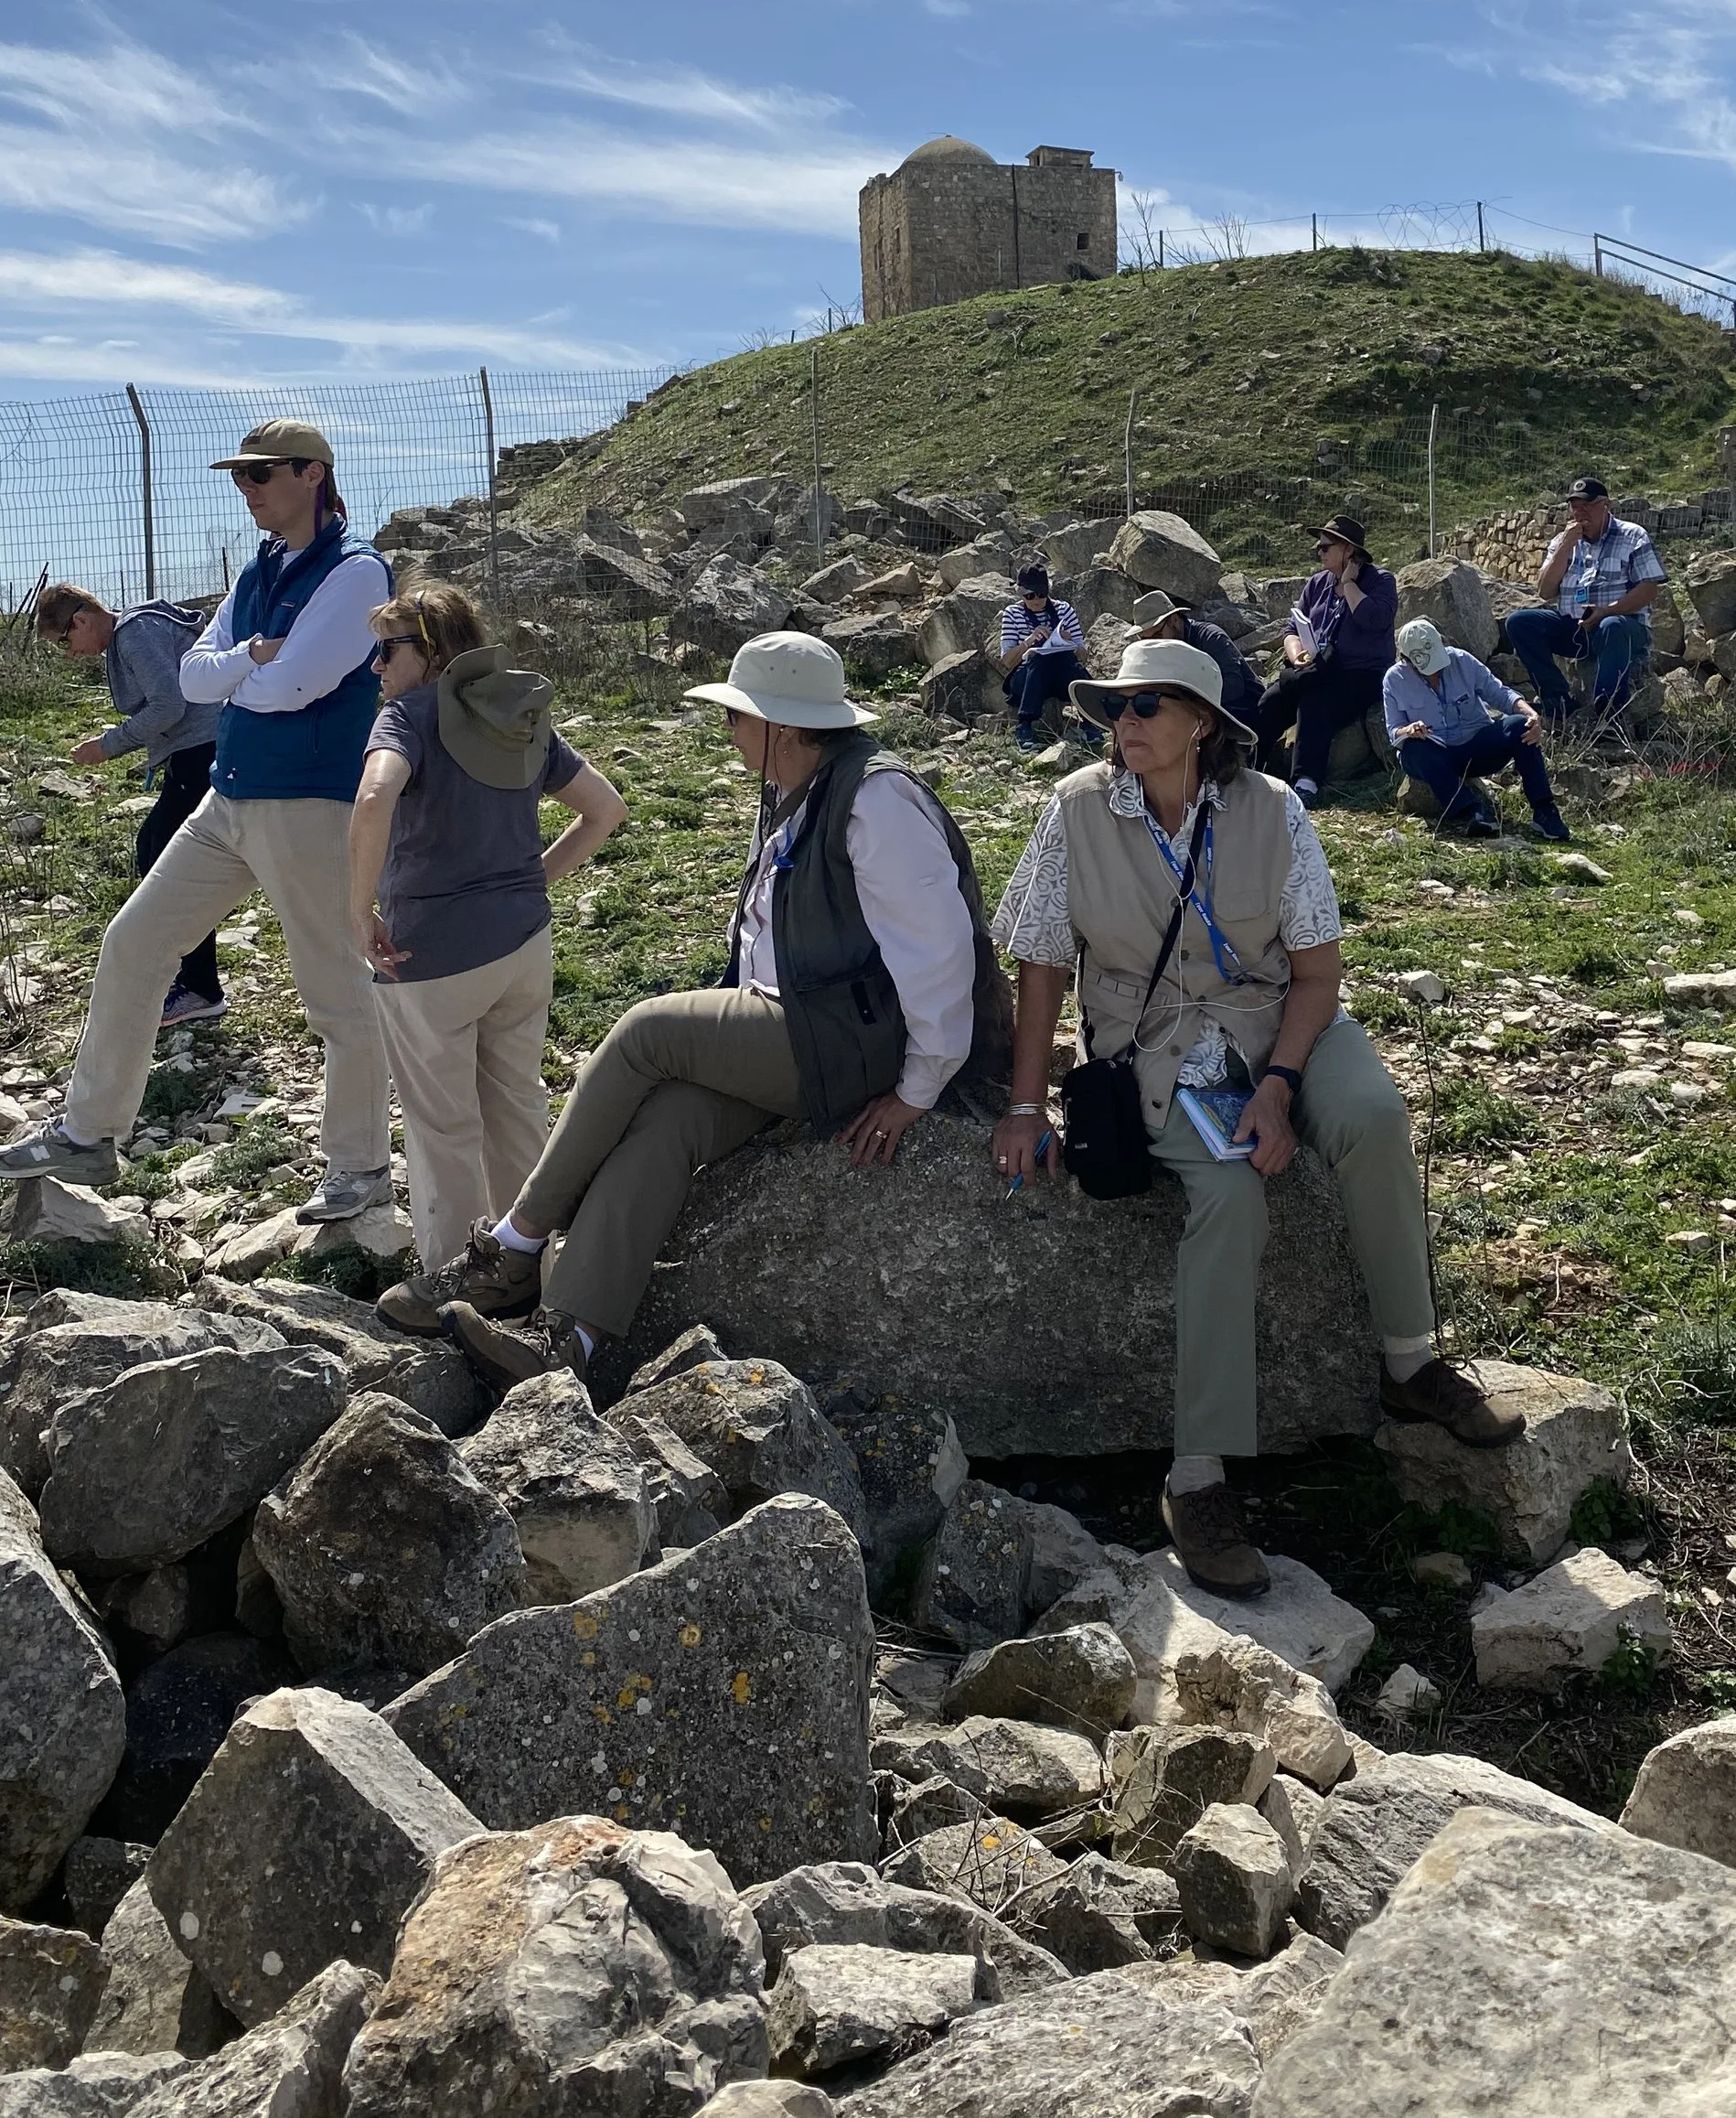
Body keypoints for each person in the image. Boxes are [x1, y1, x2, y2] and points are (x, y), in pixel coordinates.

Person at [990, 634, 1526, 1601]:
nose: (1125, 724)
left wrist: (1279, 1086)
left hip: (1280, 1019)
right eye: (1115, 705)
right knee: (1230, 1189)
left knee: (1367, 1112)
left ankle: (1409, 1361)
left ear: (1205, 726)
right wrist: (1027, 1105)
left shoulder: (1273, 813)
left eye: (1148, 705)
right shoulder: (1073, 809)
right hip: (1151, 1046)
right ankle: (1196, 1478)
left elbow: (1317, 975)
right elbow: (1039, 967)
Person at [444, 630, 1011, 1392]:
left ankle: (515, 1240)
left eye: (736, 717)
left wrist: (919, 1088)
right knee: (670, 1116)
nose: (729, 731)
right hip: (807, 1027)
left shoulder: (876, 797)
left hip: (856, 1041)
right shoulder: (797, 786)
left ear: (779, 722)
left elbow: (941, 956)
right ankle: (568, 1335)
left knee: (648, 1031)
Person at [1, 421, 395, 1219]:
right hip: (230, 794)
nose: (246, 488)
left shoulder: (356, 572)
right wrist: (256, 658)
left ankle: (360, 1165)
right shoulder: (262, 567)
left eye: (261, 474)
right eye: (240, 476)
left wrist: (242, 670)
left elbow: (295, 687)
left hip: (307, 803)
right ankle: (89, 1129)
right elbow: (197, 674)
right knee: (135, 941)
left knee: (334, 990)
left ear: (312, 474)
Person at [344, 583, 627, 1331]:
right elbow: (607, 808)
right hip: (524, 942)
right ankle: (533, 1265)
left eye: (387, 649)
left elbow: (375, 799)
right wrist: (535, 875)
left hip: (428, 957)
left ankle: (450, 1288)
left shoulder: (406, 716)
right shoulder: (518, 712)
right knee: (517, 1107)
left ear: (429, 651)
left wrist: (357, 908)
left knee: (443, 1131)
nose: (376, 667)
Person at [36, 582, 225, 1027]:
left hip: (204, 750)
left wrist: (109, 745)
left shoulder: (136, 633)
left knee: (167, 861)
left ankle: (199, 988)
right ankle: (193, 979)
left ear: (79, 621)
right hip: (199, 750)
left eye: (65, 642)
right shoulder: (132, 634)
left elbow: (168, 706)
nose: (71, 653)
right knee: (159, 852)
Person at [1250, 514, 1398, 803]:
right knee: (1272, 699)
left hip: (1361, 674)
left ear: (1348, 550)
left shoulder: (1380, 581)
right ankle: (1249, 766)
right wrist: (1297, 655)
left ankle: (1307, 783)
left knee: (1315, 701)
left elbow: (1375, 621)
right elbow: (1293, 628)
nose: (1319, 552)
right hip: (1317, 668)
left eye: (1326, 547)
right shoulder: (1317, 583)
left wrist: (1350, 584)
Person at [1383, 618, 1570, 843]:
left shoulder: (1462, 660)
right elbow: (1394, 731)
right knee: (1413, 750)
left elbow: (1499, 693)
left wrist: (1530, 713)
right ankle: (1473, 811)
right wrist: (1409, 730)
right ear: (1408, 661)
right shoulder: (1394, 680)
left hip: (1477, 746)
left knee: (1521, 725)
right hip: (1436, 755)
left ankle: (1544, 810)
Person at [1500, 477, 1666, 726]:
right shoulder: (1562, 542)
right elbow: (1545, 591)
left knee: (1613, 625)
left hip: (1621, 628)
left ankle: (1608, 713)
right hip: (1575, 627)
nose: (1580, 514)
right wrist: (1566, 545)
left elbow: (1648, 590)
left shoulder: (1632, 536)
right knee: (1520, 622)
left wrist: (1606, 611)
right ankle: (1556, 701)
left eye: (1586, 507)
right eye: (1575, 508)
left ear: (1605, 505)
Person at [1131, 589, 1264, 732]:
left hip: (1243, 711)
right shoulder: (1156, 651)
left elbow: (1233, 687)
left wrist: (1187, 707)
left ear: (1174, 620)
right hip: (1198, 716)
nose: (1152, 644)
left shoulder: (1210, 637)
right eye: (1145, 640)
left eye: (1157, 635)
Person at [999, 564, 1092, 751]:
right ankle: (1025, 725)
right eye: (1029, 595)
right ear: (1020, 593)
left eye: (1041, 594)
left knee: (1066, 661)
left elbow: (1083, 656)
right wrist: (1029, 642)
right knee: (1039, 659)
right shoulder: (1012, 614)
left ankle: (1090, 721)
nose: (1036, 600)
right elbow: (1007, 661)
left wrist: (1070, 643)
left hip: (1058, 675)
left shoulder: (1064, 610)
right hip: (1026, 679)